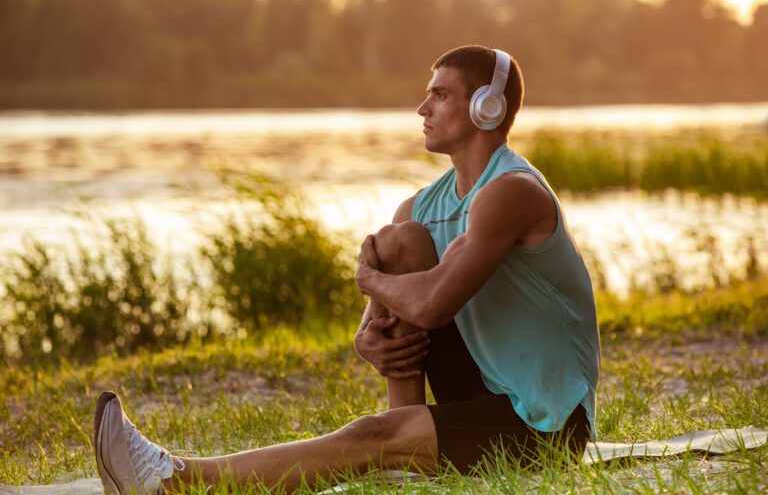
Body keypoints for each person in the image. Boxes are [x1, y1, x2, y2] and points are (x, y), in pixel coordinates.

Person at [93, 45, 600, 494]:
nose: (422, 108)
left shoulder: (512, 191)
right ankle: (406, 438)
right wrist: (368, 335)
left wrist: (368, 280)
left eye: (440, 95)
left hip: (543, 425)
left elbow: (431, 303)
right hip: (478, 391)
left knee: (365, 436)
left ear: (485, 108)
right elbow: (390, 311)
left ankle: (173, 483)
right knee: (399, 242)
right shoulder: (422, 206)